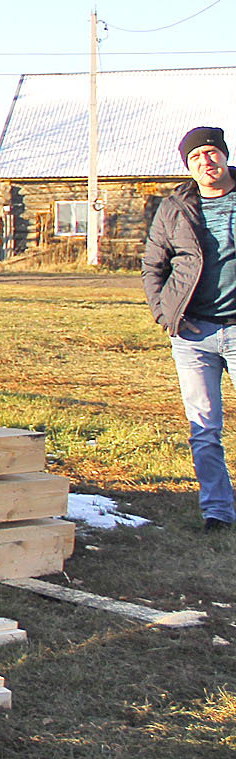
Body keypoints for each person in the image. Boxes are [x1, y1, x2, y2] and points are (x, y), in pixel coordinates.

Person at [143, 125, 236, 532]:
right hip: (193, 335)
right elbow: (153, 265)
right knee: (204, 428)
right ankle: (217, 510)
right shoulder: (175, 207)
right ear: (189, 165)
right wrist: (165, 315)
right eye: (196, 157)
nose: (206, 162)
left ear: (225, 155)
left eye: (212, 153)